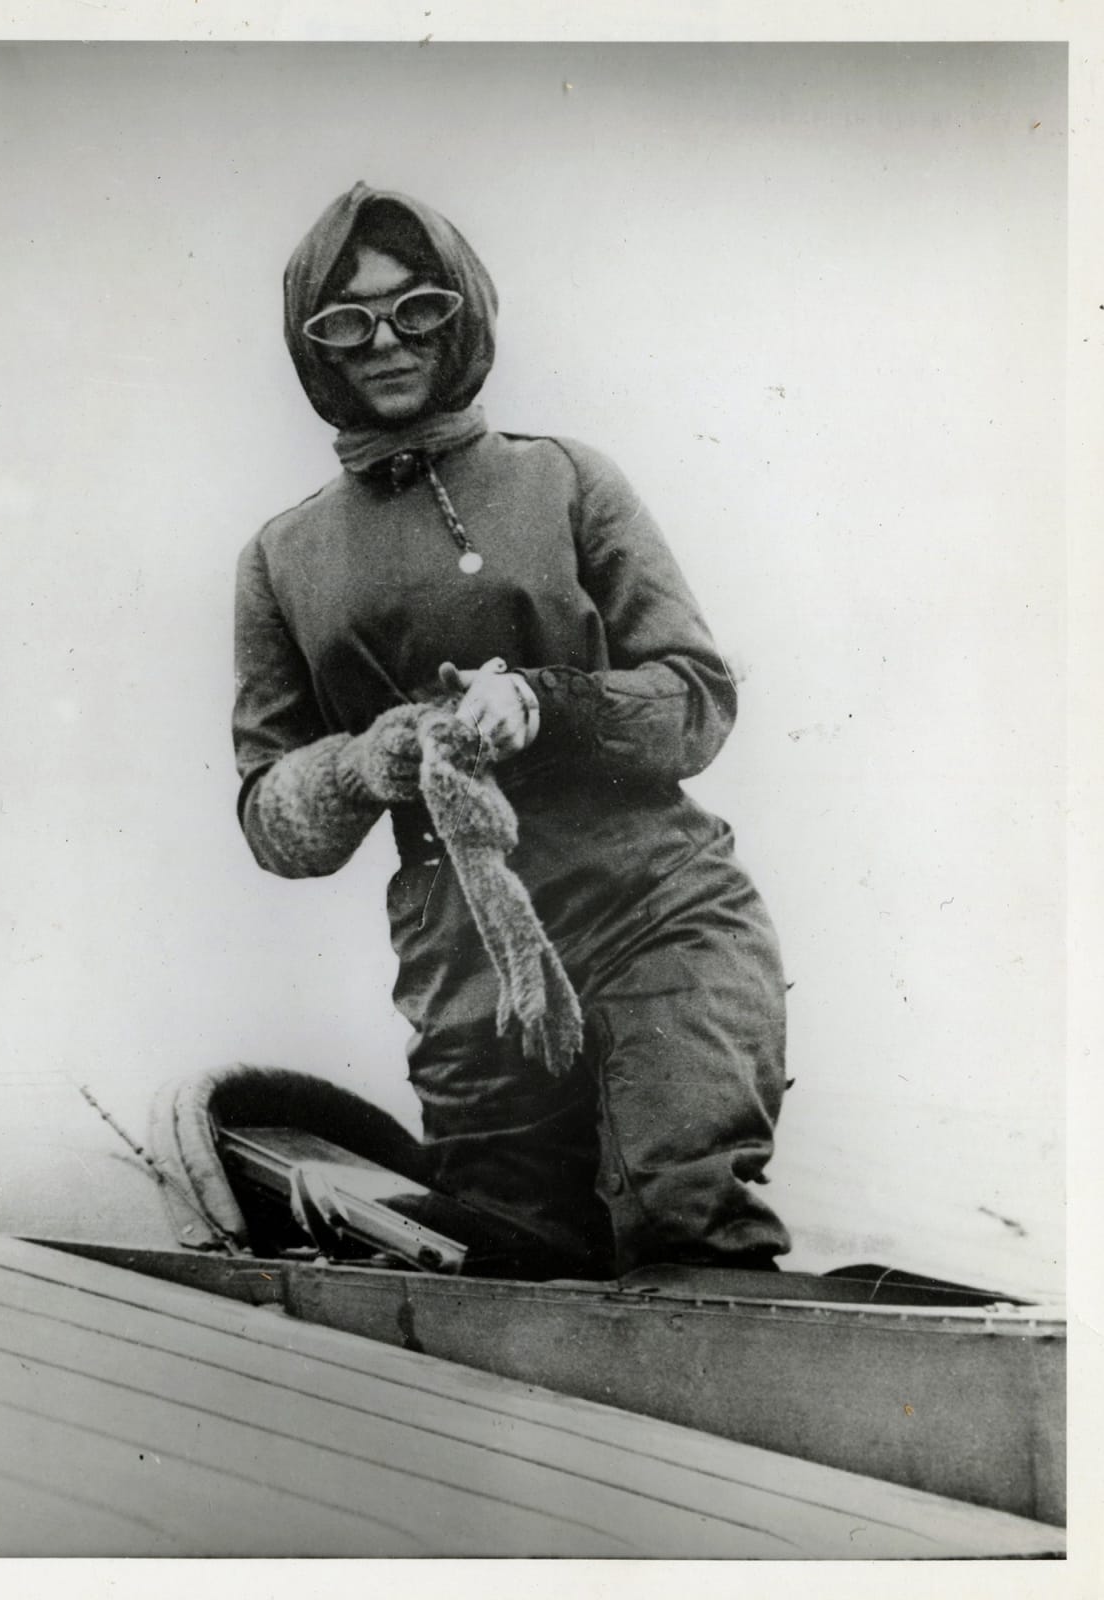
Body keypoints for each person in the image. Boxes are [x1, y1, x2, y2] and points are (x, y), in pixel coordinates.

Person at [232, 181, 791, 1278]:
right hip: (467, 977)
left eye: (418, 307)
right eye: (345, 322)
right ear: (315, 350)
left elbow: (696, 696)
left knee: (685, 1210)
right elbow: (269, 818)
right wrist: (362, 763)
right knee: (508, 1268)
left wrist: (547, 701)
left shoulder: (567, 480)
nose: (386, 340)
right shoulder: (279, 557)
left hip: (656, 918)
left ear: (465, 313)